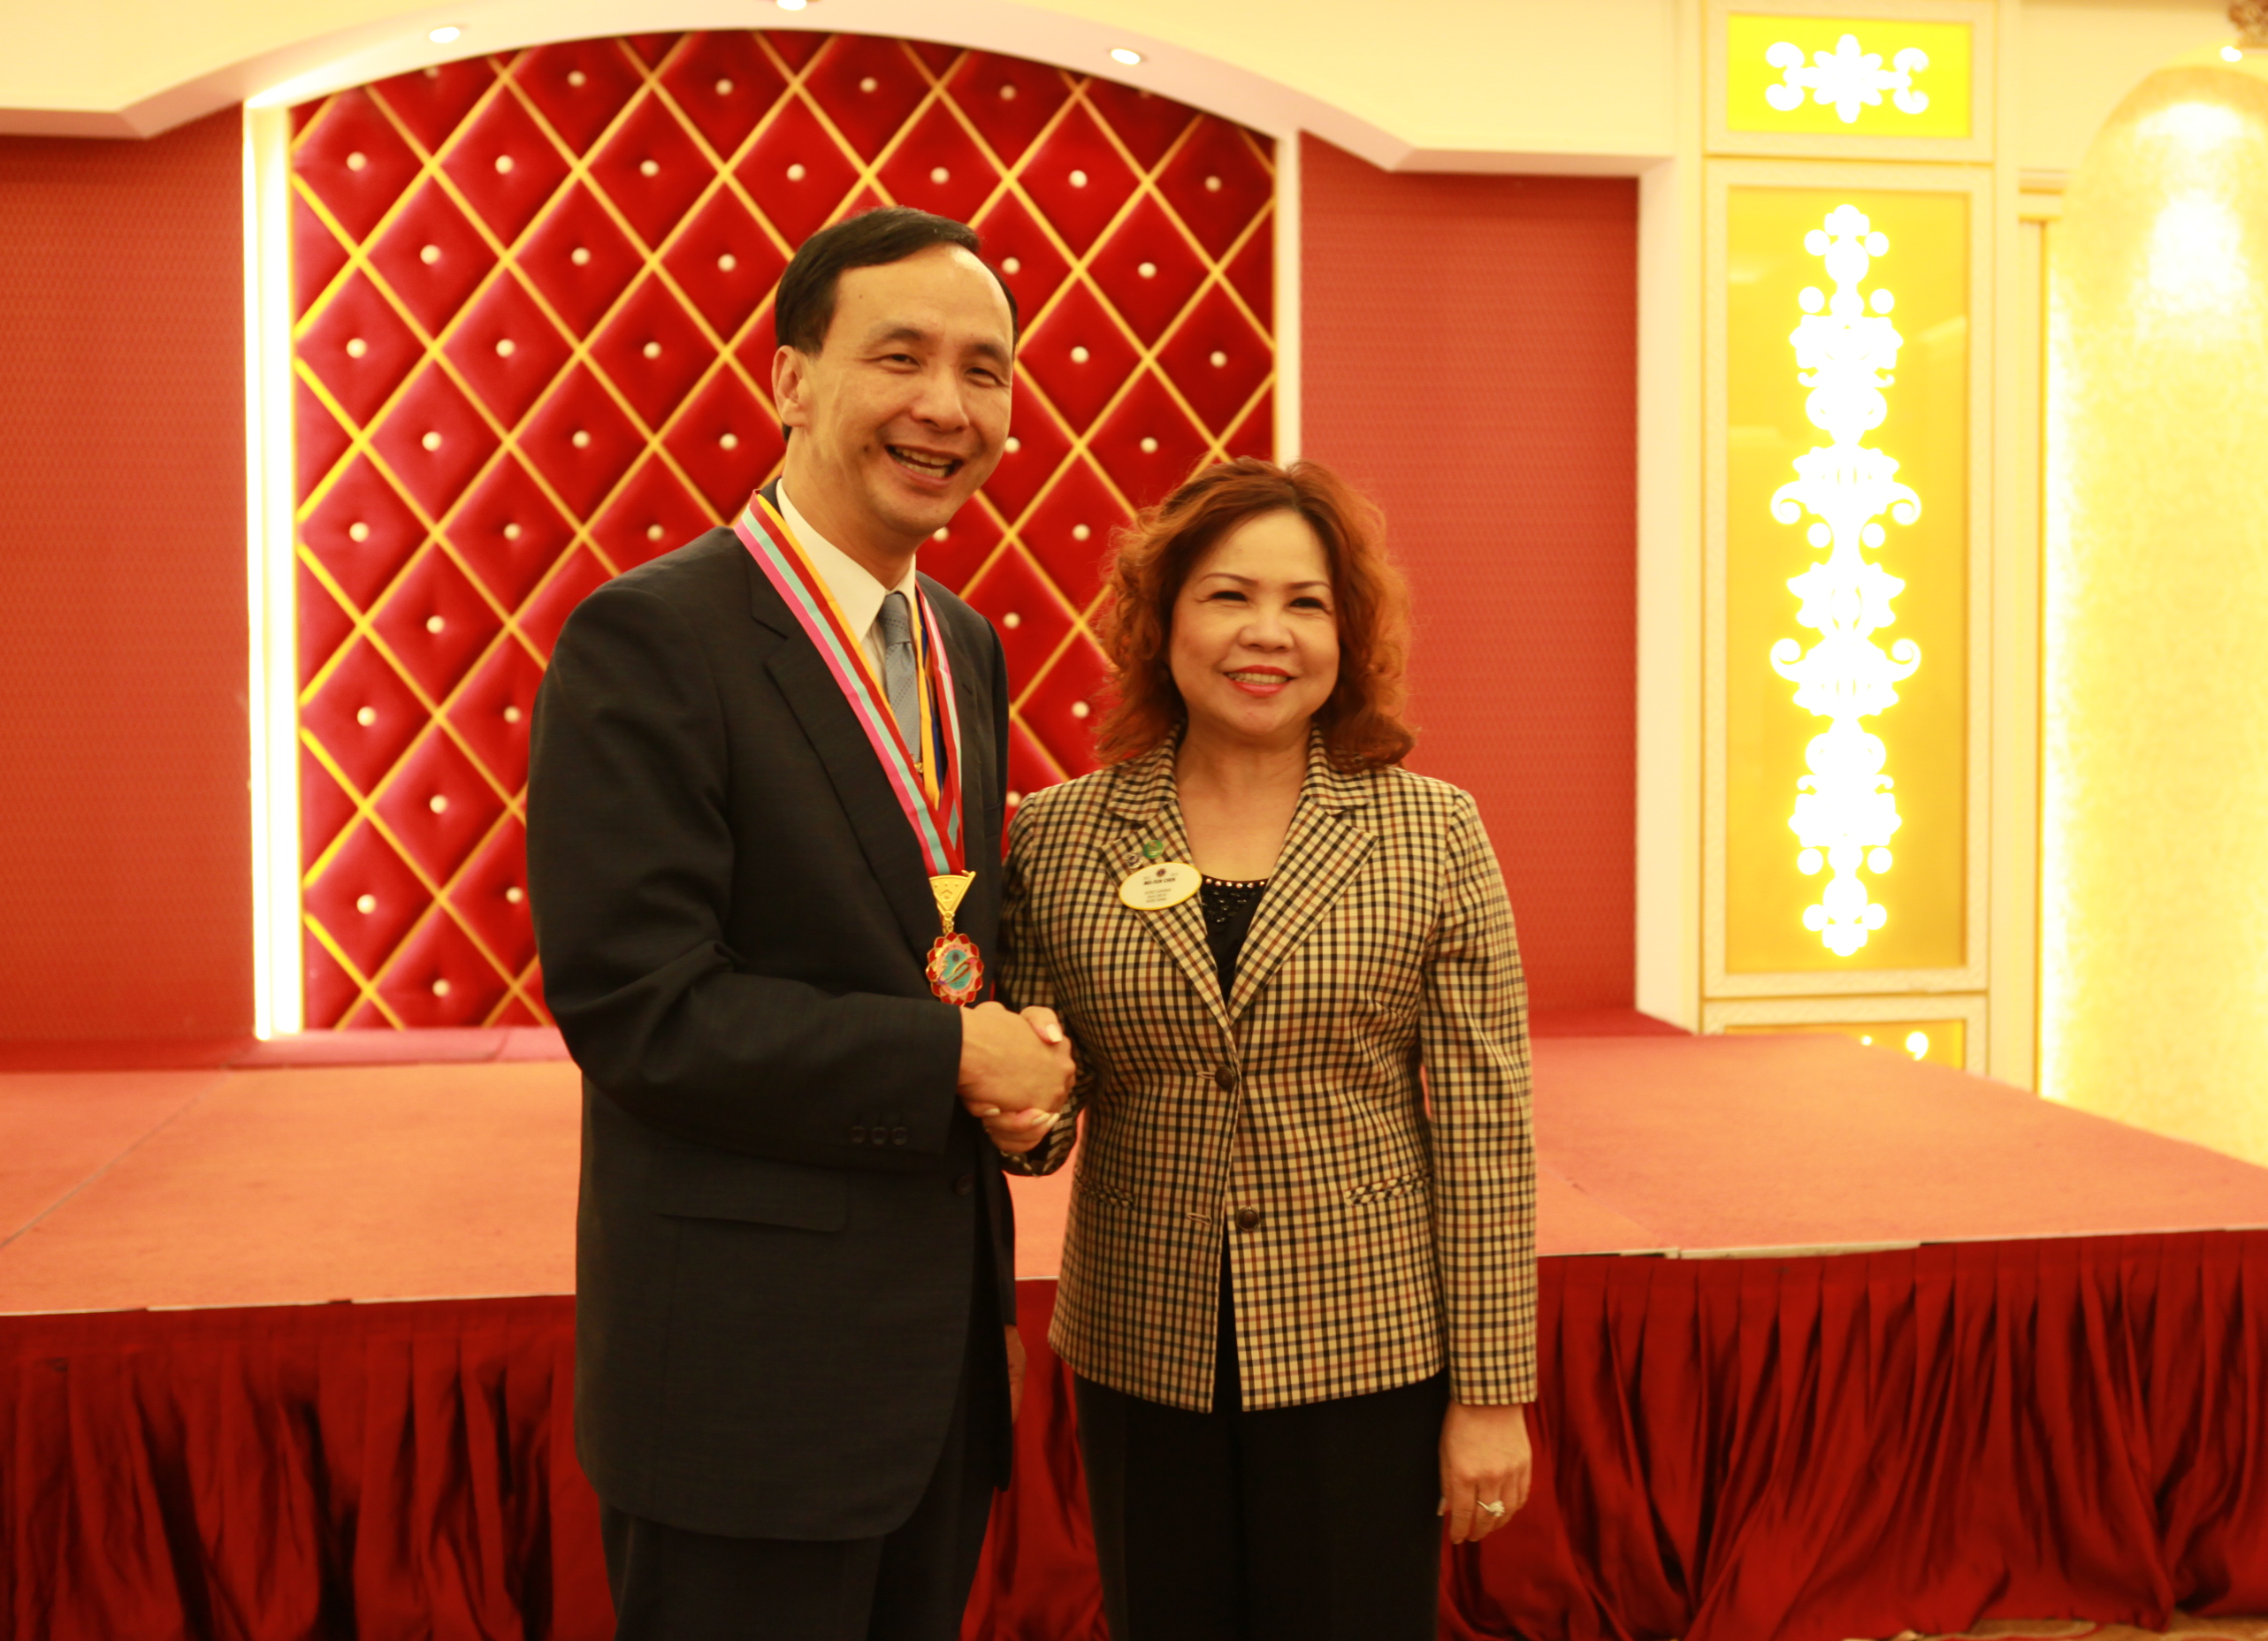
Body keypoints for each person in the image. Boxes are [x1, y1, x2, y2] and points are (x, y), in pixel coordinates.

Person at [527, 207, 1074, 1641]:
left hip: (932, 1382)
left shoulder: (963, 645)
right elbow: (644, 1012)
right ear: (789, 379)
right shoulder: (652, 637)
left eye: (985, 370)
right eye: (901, 357)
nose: (947, 406)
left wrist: (1025, 1079)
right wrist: (953, 1061)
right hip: (743, 1390)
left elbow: (944, 950)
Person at [985, 459, 1539, 1640]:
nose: (1268, 633)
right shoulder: (1064, 835)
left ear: (1349, 634)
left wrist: (1492, 1392)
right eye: (1230, 596)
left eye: (1306, 603)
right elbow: (1040, 1111)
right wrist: (1023, 1109)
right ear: (1163, 621)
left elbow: (1487, 1131)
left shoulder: (1432, 830)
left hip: (1368, 1345)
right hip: (1144, 1343)